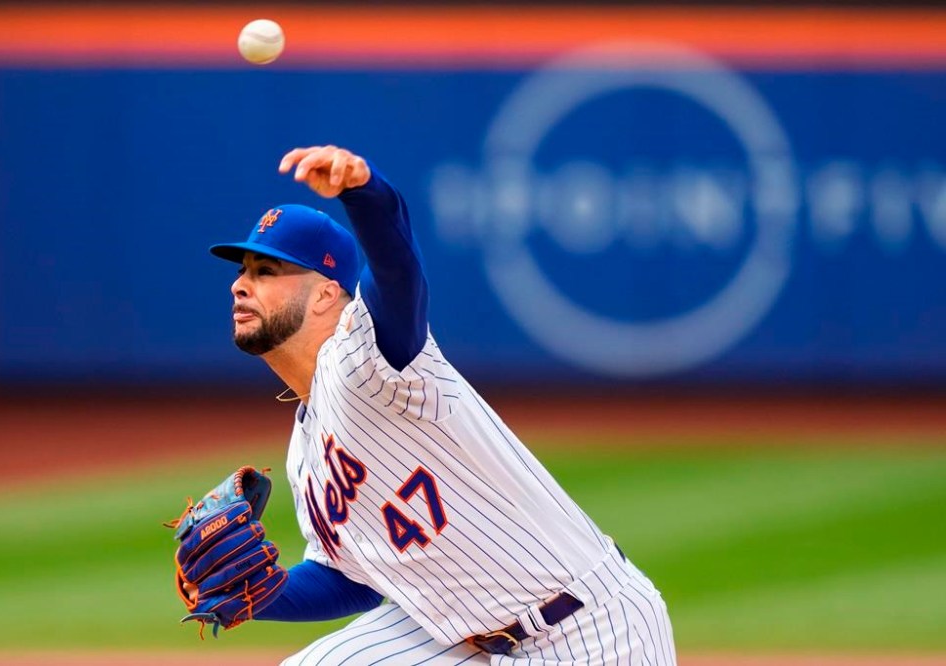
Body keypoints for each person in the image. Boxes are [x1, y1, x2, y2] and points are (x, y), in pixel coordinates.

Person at [208, 145, 676, 665]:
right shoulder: (304, 451)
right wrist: (258, 595)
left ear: (325, 294)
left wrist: (364, 193)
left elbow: (398, 274)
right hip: (461, 641)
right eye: (243, 270)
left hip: (592, 629)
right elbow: (353, 580)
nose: (240, 284)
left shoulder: (368, 359)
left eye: (266, 271)